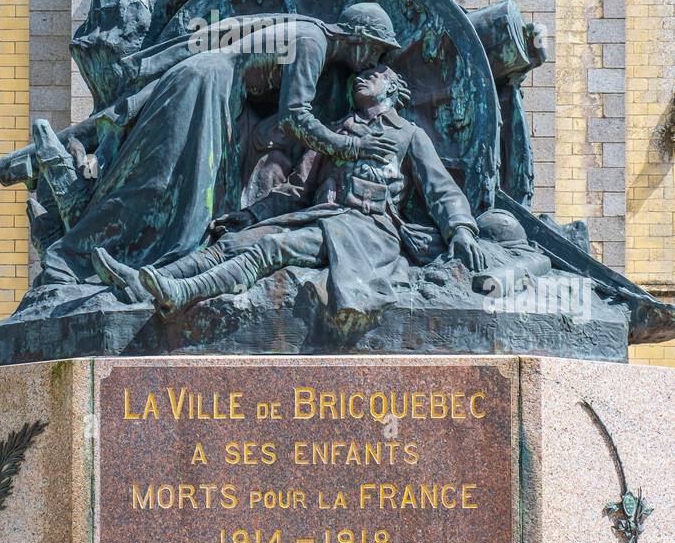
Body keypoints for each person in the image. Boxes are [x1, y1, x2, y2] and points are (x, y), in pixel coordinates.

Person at [96, 60, 487, 336]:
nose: (362, 78)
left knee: (273, 248)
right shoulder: (335, 131)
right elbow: (296, 190)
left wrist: (462, 231)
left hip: (365, 232)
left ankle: (181, 293)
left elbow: (442, 190)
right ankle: (145, 283)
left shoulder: (408, 136)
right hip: (320, 218)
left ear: (394, 89)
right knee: (229, 243)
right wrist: (249, 215)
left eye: (374, 74)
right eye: (360, 75)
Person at [35, 2, 405, 285]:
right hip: (205, 88)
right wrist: (350, 149)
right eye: (375, 50)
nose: (373, 61)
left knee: (174, 190)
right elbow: (295, 114)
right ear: (358, 38)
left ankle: (130, 263)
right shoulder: (312, 42)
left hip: (214, 92)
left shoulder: (310, 34)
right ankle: (72, 258)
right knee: (162, 183)